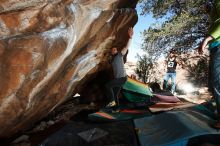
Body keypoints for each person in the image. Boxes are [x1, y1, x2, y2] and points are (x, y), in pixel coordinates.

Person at [198, 0, 220, 129]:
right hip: (215, 46)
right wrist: (210, 11)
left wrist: (207, 38)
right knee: (213, 83)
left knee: (218, 83)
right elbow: (216, 20)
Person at [105, 27, 133, 110]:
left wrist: (130, 37)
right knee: (115, 93)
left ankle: (112, 101)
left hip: (122, 78)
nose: (113, 51)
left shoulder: (120, 55)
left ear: (117, 51)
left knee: (107, 86)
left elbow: (126, 47)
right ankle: (116, 109)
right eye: (112, 50)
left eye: (114, 50)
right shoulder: (112, 60)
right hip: (119, 79)